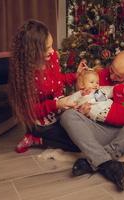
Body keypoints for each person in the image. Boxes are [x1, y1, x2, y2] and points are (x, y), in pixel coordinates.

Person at [60, 50, 124, 191]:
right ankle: (107, 163)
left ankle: (96, 160)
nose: (111, 76)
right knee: (67, 116)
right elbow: (79, 96)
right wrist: (82, 110)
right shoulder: (97, 76)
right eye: (112, 70)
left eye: (118, 76)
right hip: (99, 130)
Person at [8, 19, 86, 153]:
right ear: (32, 52)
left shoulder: (52, 57)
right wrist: (56, 105)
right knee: (77, 144)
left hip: (58, 109)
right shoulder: (26, 75)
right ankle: (36, 138)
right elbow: (30, 111)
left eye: (52, 45)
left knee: (83, 134)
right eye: (46, 48)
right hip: (41, 120)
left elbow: (56, 81)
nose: (53, 51)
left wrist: (75, 76)